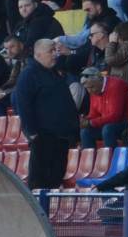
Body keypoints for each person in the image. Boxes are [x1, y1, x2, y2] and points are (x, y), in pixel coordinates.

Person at [12, 37, 79, 189]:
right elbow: (23, 105)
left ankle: (49, 212)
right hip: (43, 137)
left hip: (61, 137)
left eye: (56, 50)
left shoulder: (54, 73)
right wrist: (32, 132)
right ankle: (37, 213)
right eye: (51, 51)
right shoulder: (29, 74)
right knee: (40, 181)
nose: (55, 54)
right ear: (38, 54)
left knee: (55, 179)